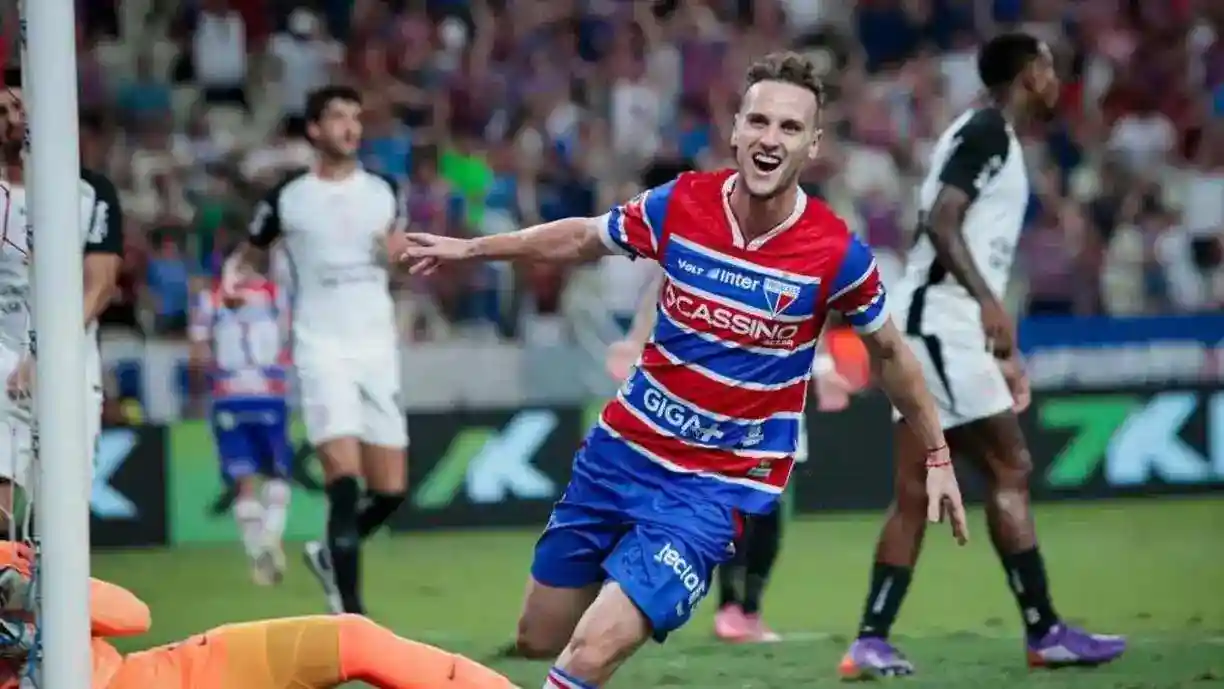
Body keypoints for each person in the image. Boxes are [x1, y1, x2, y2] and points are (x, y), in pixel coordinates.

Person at [398, 51, 968, 689]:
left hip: (710, 488)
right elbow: (584, 237)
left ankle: (655, 596)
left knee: (589, 652)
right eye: (758, 121)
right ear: (734, 130)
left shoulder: (836, 253)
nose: (769, 138)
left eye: (788, 127)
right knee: (540, 636)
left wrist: (938, 454)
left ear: (813, 144)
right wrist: (474, 248)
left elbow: (890, 353)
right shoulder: (682, 205)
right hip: (620, 454)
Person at [837, 34, 1126, 679]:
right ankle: (1043, 629)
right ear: (1030, 74)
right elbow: (942, 222)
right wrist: (988, 307)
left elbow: (957, 230)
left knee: (918, 490)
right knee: (1009, 466)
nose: (1056, 80)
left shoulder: (990, 136)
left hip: (937, 324)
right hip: (939, 324)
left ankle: (871, 639)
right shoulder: (990, 132)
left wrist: (998, 341)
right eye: (1049, 67)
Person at [223, 85, 413, 615]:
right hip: (320, 347)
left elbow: (398, 252)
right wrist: (235, 284)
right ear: (313, 130)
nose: (350, 127)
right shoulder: (289, 197)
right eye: (337, 117)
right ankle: (352, 615)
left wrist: (399, 255)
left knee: (392, 489)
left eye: (356, 117)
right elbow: (247, 257)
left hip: (377, 347)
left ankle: (329, 556)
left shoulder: (384, 190)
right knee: (345, 484)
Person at [0, 543, 517, 689]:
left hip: (174, 674)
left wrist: (36, 587)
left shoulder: (9, 560)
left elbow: (134, 615)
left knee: (354, 639)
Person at [0, 71, 124, 539]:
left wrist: (45, 352)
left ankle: (44, 609)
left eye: (22, 108)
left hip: (69, 361)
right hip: (1, 352)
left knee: (62, 517)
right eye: (3, 112)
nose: (15, 119)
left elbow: (100, 284)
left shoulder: (89, 193)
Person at [188, 269, 293, 585]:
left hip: (228, 396)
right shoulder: (276, 294)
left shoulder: (210, 298)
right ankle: (271, 535)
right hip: (269, 393)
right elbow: (289, 339)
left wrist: (200, 388)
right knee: (277, 475)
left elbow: (198, 354)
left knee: (242, 482)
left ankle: (256, 554)